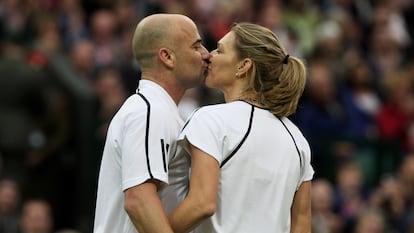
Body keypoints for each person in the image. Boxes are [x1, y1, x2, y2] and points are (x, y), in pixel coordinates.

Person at [168, 22, 314, 233]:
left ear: (243, 66)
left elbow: (201, 204)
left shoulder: (211, 119)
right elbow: (301, 226)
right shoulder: (298, 140)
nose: (209, 55)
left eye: (220, 50)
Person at [93, 13, 210, 233]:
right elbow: (138, 200)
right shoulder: (150, 111)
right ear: (167, 57)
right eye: (196, 46)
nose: (206, 55)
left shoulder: (158, 110)